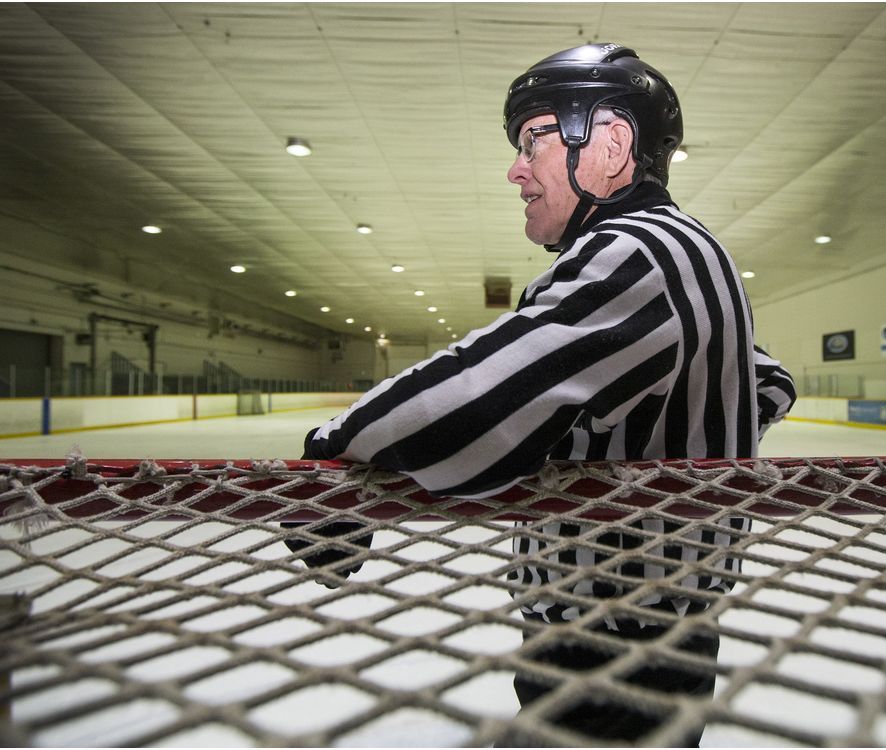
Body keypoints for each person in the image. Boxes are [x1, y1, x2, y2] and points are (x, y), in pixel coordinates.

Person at [287, 43, 796, 745]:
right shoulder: (691, 248)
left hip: (613, 643)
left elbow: (482, 392)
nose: (515, 169)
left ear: (612, 144)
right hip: (657, 628)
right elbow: (768, 382)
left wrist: (333, 451)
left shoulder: (636, 249)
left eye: (534, 139)